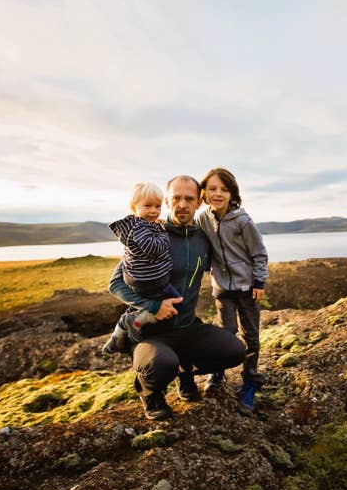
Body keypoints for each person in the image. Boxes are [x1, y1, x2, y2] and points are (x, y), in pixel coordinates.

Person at [107, 175, 246, 420]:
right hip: (151, 332)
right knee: (161, 365)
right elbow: (116, 284)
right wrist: (153, 306)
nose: (182, 204)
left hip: (187, 326)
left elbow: (230, 258)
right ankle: (150, 393)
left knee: (234, 351)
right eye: (176, 198)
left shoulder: (203, 239)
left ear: (199, 202)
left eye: (189, 199)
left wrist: (255, 281)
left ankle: (185, 372)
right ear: (167, 202)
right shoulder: (148, 236)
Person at [196, 167, 268, 413]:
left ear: (232, 193)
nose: (218, 194)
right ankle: (217, 373)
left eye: (224, 190)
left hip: (247, 288)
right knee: (225, 334)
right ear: (204, 193)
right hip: (222, 288)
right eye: (213, 189)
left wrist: (259, 282)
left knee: (251, 336)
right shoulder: (202, 218)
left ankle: (250, 380)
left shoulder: (243, 221)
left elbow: (259, 254)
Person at [102, 181, 180, 354]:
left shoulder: (141, 225)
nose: (153, 211)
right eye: (147, 206)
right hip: (148, 280)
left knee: (141, 304)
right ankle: (132, 322)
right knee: (175, 303)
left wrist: (157, 226)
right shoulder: (139, 227)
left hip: (143, 280)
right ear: (134, 207)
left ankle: (117, 336)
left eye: (157, 206)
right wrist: (164, 232)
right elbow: (154, 247)